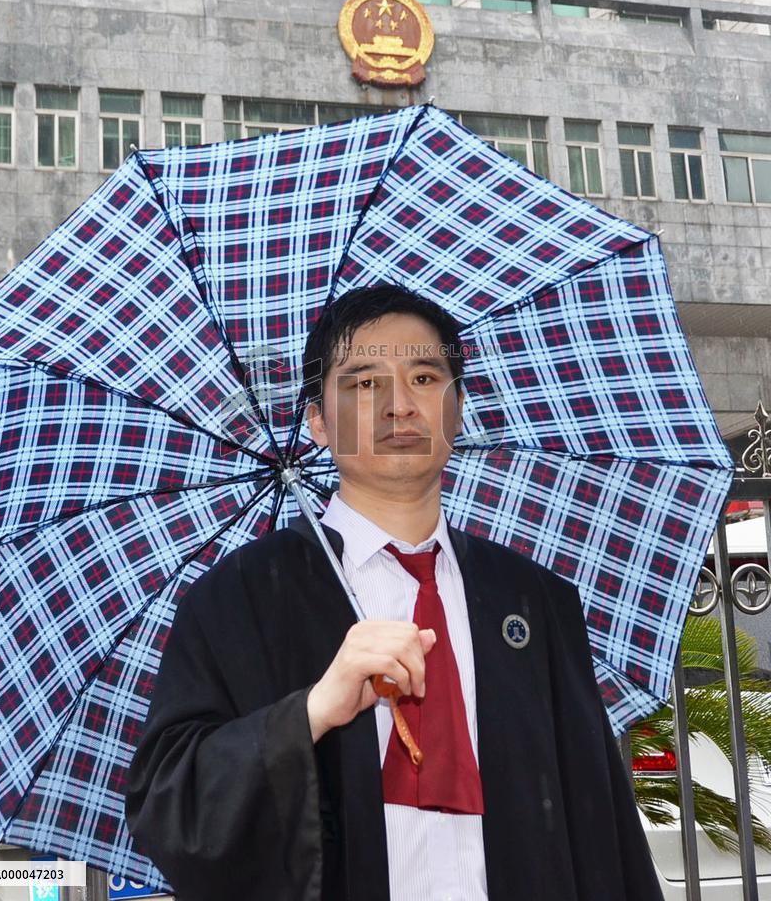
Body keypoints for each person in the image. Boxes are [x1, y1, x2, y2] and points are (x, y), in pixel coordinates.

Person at [124, 283, 664, 901]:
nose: (399, 405)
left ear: (457, 408)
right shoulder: (236, 600)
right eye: (362, 382)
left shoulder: (533, 600)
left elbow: (599, 823)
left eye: (426, 378)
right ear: (318, 421)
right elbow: (169, 805)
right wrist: (311, 712)